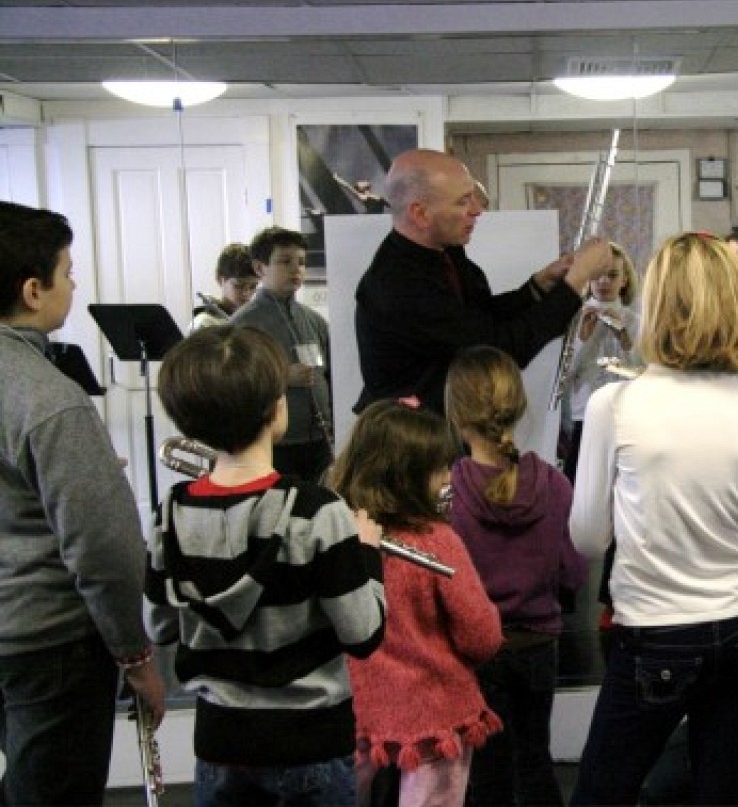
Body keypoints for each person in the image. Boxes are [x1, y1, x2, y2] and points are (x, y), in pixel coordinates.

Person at [568, 232, 738, 806]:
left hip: (655, 630)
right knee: (727, 791)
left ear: (657, 304)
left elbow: (588, 539)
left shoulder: (616, 404)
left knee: (600, 794)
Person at [147, 324, 386, 805]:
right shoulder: (319, 510)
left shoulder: (172, 511)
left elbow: (159, 625)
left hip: (220, 746)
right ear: (277, 411)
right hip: (312, 745)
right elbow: (363, 634)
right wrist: (366, 552)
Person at [0, 201, 166, 805]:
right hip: (50, 646)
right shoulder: (50, 399)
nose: (74, 285)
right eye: (68, 272)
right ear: (32, 289)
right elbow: (102, 548)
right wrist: (134, 653)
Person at [330, 398, 504, 807]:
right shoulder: (438, 541)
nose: (447, 478)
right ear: (407, 477)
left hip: (352, 707)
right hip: (434, 717)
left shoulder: (332, 534)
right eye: (439, 469)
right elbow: (482, 636)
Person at [354, 148, 613, 415]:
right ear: (420, 214)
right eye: (463, 201)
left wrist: (538, 286)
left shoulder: (445, 252)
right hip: (414, 442)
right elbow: (497, 350)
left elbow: (479, 318)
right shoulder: (397, 285)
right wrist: (577, 280)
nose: (477, 210)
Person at [446, 345, 586, 807]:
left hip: (477, 651)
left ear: (457, 415)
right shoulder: (555, 484)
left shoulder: (449, 495)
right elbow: (572, 573)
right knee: (535, 760)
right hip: (539, 646)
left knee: (486, 772)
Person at [232, 226, 333, 481]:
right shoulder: (243, 324)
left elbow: (332, 376)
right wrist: (282, 377)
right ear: (259, 268)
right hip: (274, 444)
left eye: (301, 262)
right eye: (285, 262)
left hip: (320, 439)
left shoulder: (315, 321)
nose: (296, 269)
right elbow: (232, 384)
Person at [564, 241, 641, 481]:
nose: (604, 281)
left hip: (627, 415)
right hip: (585, 416)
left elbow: (646, 373)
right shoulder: (574, 318)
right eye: (598, 275)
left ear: (625, 280)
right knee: (579, 483)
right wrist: (582, 340)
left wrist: (625, 339)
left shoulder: (637, 321)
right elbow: (564, 377)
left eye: (613, 275)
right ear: (588, 279)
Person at [189, 241, 257, 333]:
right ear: (220, 279)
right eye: (239, 285)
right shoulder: (204, 324)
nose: (247, 293)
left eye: (253, 286)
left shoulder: (256, 319)